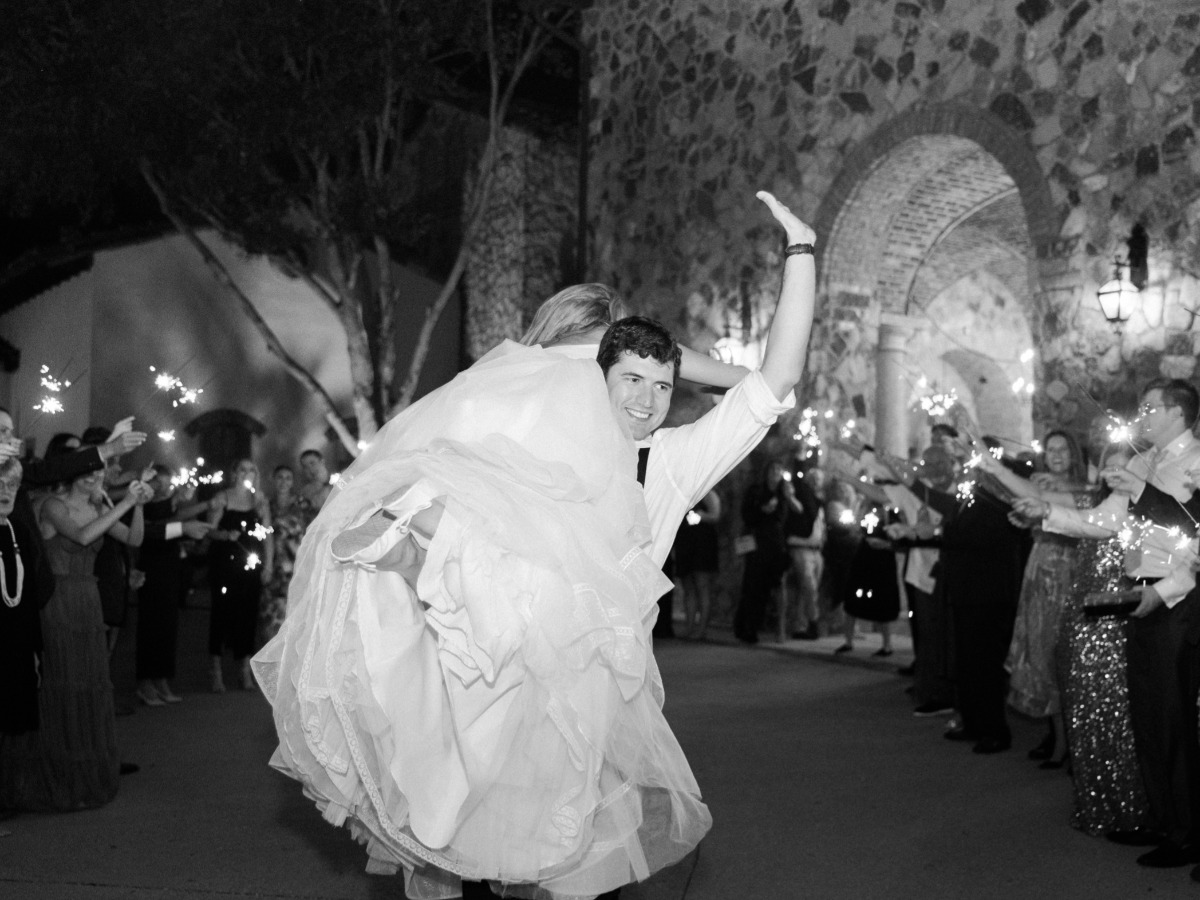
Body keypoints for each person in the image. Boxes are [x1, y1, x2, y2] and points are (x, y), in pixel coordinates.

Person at [253, 190, 814, 900]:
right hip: (483, 697)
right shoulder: (504, 460)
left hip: (580, 714)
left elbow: (774, 382)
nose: (638, 398)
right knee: (451, 855)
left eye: (657, 384)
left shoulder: (664, 462)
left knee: (535, 873)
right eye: (617, 376)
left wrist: (800, 251)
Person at [1013, 379, 1200, 868]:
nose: (1143, 414)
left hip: (1177, 600)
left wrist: (1162, 594)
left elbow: (1192, 536)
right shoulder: (1141, 462)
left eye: (1151, 407)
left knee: (1175, 719)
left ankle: (1186, 832)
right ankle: (1163, 821)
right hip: (1136, 593)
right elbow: (1104, 522)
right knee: (1149, 718)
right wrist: (1047, 511)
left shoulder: (1195, 462)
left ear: (1178, 413)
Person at [9, 454, 150, 811]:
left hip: (88, 597)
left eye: (99, 475)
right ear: (72, 476)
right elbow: (84, 536)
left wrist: (136, 506)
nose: (94, 480)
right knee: (64, 680)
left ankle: (89, 770)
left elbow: (133, 539)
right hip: (59, 598)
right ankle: (61, 773)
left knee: (89, 680)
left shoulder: (98, 505)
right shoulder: (53, 505)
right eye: (88, 474)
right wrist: (124, 503)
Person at [979, 430, 1087, 768]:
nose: (1056, 455)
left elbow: (1058, 508)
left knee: (1062, 655)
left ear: (1074, 454)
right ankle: (1054, 735)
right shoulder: (1040, 483)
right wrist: (1027, 519)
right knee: (1041, 653)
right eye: (1050, 449)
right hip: (1039, 572)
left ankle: (1070, 741)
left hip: (1069, 575)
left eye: (1063, 449)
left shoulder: (1085, 488)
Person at [0, 458, 56, 809]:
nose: (6, 492)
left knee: (11, 724)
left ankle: (7, 798)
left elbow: (28, 597)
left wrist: (36, 650)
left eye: (12, 485)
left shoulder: (17, 530)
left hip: (17, 643)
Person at [134, 466, 213, 706]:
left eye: (168, 485)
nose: (165, 490)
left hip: (169, 565)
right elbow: (150, 531)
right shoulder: (139, 503)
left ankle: (161, 679)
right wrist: (186, 523)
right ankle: (145, 681)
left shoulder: (169, 500)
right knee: (151, 624)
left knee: (168, 624)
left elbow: (172, 519)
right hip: (151, 565)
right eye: (160, 485)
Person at [207, 458, 273, 693]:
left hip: (251, 563)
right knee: (221, 614)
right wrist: (225, 535)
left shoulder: (259, 500)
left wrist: (269, 564)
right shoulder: (222, 498)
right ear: (234, 473)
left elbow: (267, 534)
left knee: (247, 615)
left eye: (252, 470)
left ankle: (244, 670)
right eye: (242, 469)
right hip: (225, 563)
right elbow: (209, 531)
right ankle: (216, 671)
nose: (247, 473)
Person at [733, 459, 791, 644]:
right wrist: (762, 509)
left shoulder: (783, 494)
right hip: (758, 544)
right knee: (753, 586)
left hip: (775, 544)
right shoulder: (756, 491)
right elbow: (747, 515)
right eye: (772, 469)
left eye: (779, 470)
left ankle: (761, 626)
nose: (775, 473)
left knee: (770, 587)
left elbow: (783, 518)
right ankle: (746, 627)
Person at [260, 464, 308, 643]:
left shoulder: (302, 504)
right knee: (272, 612)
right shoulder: (267, 505)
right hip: (273, 563)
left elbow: (310, 532)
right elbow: (264, 534)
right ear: (273, 479)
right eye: (280, 477)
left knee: (294, 613)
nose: (284, 482)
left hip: (296, 563)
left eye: (288, 478)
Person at [671, 488, 721, 641]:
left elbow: (715, 515)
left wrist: (700, 516)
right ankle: (690, 627)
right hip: (685, 543)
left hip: (702, 544)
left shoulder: (709, 493)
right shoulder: (684, 492)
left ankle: (701, 629)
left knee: (702, 586)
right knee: (688, 587)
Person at [785, 462, 824, 640]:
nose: (817, 482)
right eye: (813, 479)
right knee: (810, 587)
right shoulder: (804, 496)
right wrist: (799, 459)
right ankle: (813, 623)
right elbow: (798, 480)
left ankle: (800, 626)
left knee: (806, 589)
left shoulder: (819, 502)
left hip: (816, 550)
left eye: (819, 479)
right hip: (802, 548)